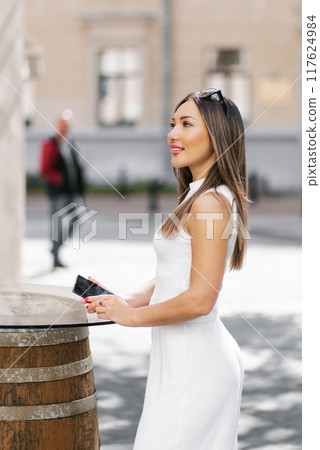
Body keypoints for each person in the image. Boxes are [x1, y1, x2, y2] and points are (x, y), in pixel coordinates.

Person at [83, 88, 248, 449]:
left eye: (186, 124)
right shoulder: (198, 194)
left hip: (196, 367)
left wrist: (130, 317)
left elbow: (201, 298)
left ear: (217, 136)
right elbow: (177, 273)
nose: (172, 133)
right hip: (179, 362)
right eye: (173, 123)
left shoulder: (210, 202)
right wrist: (122, 301)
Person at [40, 110, 86, 268]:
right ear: (58, 124)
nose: (66, 127)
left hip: (72, 191)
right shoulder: (50, 142)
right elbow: (45, 169)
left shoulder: (70, 141)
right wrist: (59, 180)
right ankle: (55, 256)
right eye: (63, 124)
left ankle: (55, 249)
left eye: (68, 124)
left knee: (76, 219)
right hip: (58, 192)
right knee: (57, 224)